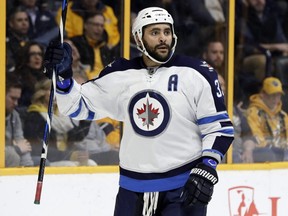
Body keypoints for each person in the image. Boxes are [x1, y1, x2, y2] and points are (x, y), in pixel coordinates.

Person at [43, 7, 234, 216]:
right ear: (138, 37)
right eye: (154, 33)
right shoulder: (120, 74)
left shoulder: (197, 73)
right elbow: (76, 105)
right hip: (132, 189)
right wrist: (63, 77)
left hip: (182, 187)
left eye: (166, 32)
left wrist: (207, 168)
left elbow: (219, 128)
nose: (163, 38)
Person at [23, 79, 97, 166]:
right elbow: (36, 148)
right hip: (49, 160)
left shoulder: (61, 115)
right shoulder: (34, 116)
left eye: (58, 91)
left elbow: (74, 137)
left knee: (91, 164)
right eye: (52, 90)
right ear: (42, 93)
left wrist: (86, 118)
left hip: (65, 156)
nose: (56, 94)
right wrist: (70, 155)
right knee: (71, 166)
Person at [246, 77, 288, 162]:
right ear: (263, 94)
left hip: (283, 153)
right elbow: (257, 137)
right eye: (272, 95)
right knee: (269, 154)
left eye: (278, 95)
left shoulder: (283, 115)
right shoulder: (253, 113)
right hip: (264, 153)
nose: (276, 98)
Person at [70, 11, 118, 79]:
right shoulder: (75, 44)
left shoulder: (106, 48)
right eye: (96, 25)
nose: (99, 29)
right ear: (85, 25)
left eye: (102, 26)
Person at [55, 0, 120, 48]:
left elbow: (115, 36)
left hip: (107, 55)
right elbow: (66, 37)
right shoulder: (66, 11)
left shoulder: (108, 11)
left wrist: (109, 49)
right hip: (79, 54)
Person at [5, 73, 34, 167]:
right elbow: (20, 148)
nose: (16, 103)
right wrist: (17, 149)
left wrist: (28, 168)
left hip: (12, 159)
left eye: (17, 99)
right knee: (13, 155)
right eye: (13, 98)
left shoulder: (15, 115)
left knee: (43, 163)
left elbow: (23, 144)